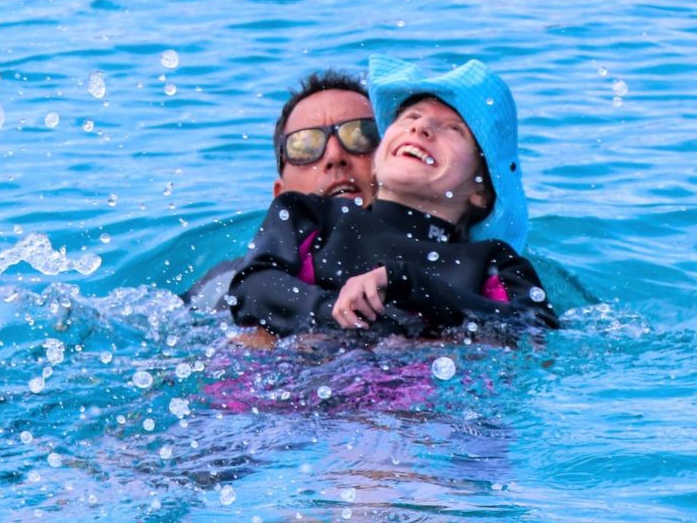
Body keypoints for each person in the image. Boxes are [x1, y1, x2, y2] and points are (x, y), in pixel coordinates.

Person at [226, 56, 558, 339]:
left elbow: (534, 332)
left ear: (481, 190)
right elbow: (251, 288)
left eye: (453, 129)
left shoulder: (492, 261)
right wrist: (336, 313)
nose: (421, 128)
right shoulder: (308, 214)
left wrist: (406, 282)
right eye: (410, 118)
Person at [181, 69, 379, 308]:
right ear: (281, 195)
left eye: (362, 136)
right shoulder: (229, 285)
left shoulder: (429, 262)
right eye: (305, 146)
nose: (335, 156)